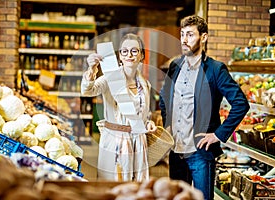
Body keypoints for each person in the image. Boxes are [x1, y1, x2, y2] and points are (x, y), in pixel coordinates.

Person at [159, 15, 250, 199]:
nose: (184, 40)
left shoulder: (216, 69)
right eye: (182, 34)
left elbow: (241, 103)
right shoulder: (175, 66)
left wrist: (218, 134)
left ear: (204, 37)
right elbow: (164, 98)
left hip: (200, 153)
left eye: (190, 35)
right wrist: (167, 124)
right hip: (176, 152)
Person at [81, 33, 157, 182]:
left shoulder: (145, 84)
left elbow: (142, 115)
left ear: (141, 55)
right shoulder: (110, 79)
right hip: (114, 140)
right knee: (112, 187)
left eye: (134, 51)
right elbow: (87, 90)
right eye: (124, 51)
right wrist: (92, 69)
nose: (129, 54)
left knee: (136, 188)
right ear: (120, 56)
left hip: (138, 143)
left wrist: (148, 122)